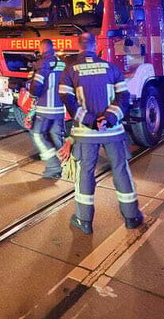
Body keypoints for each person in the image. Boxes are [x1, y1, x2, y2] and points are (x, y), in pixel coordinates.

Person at [58, 32, 143, 234]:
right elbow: (124, 97)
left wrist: (90, 120)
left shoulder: (69, 70)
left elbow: (68, 101)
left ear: (77, 46)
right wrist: (108, 118)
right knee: (121, 170)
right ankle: (131, 217)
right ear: (95, 46)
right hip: (113, 132)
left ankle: (84, 221)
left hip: (86, 134)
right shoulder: (112, 68)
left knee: (85, 173)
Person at [26, 38, 69, 178]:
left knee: (37, 134)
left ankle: (53, 166)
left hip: (44, 108)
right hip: (59, 109)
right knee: (57, 137)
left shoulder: (42, 63)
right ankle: (65, 165)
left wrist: (31, 100)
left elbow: (36, 87)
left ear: (42, 48)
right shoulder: (63, 63)